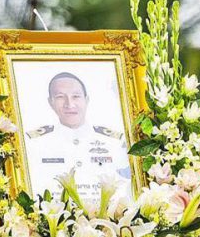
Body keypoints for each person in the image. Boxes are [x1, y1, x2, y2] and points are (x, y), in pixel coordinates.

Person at [25, 71, 131, 201]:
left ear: (86, 100)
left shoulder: (114, 142)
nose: (69, 104)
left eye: (76, 96)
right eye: (60, 97)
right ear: (50, 102)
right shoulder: (33, 143)